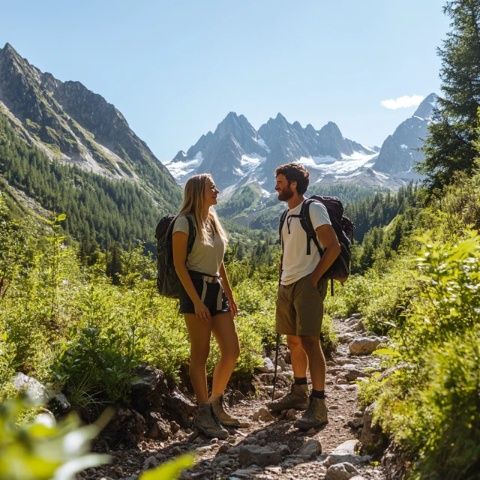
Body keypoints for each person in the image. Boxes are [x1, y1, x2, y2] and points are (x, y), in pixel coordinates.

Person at [268, 163, 341, 430]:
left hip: (306, 284)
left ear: (293, 184)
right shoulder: (286, 215)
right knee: (294, 341)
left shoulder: (313, 208)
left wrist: (313, 280)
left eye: (279, 181)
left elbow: (333, 246)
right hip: (287, 284)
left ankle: (319, 404)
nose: (276, 185)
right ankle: (299, 393)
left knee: (310, 342)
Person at [172, 174, 240, 439]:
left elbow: (219, 262)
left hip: (217, 290)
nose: (217, 190)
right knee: (200, 353)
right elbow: (180, 266)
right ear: (199, 192)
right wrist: (197, 301)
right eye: (213, 187)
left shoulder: (212, 220)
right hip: (196, 291)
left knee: (232, 350)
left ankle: (215, 402)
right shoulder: (183, 222)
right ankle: (203, 413)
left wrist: (230, 295)